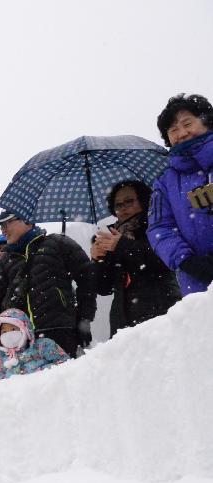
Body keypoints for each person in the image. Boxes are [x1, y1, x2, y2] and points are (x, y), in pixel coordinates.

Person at [0, 210, 97, 357]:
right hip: (21, 338)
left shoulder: (57, 243)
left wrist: (84, 318)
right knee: (37, 381)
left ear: (27, 220)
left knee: (66, 378)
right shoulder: (5, 261)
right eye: (0, 225)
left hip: (60, 330)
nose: (3, 229)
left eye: (7, 222)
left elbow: (87, 277)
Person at [92, 180, 181, 336]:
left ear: (143, 201)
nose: (123, 209)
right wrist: (98, 260)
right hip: (123, 324)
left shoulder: (157, 226)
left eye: (129, 201)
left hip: (161, 313)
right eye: (118, 205)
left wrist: (121, 246)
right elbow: (104, 288)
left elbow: (162, 261)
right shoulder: (112, 236)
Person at [148, 93, 213, 296]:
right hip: (199, 290)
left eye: (187, 124)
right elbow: (160, 227)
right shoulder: (165, 182)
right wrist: (188, 261)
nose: (181, 133)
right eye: (173, 130)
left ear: (207, 122)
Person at [0, 309, 70, 382]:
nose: (9, 334)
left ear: (25, 329)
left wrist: (36, 375)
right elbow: (1, 383)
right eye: (4, 332)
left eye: (13, 329)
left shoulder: (43, 345)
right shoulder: (1, 358)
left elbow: (65, 362)